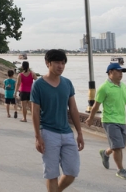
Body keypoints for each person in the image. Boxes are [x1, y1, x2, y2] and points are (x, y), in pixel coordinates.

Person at [31, 49, 84, 192]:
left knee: (72, 171)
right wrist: (38, 137)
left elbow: (73, 109)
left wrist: (79, 132)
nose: (60, 66)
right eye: (56, 63)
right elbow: (35, 112)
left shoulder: (67, 83)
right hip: (48, 133)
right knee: (52, 174)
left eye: (63, 63)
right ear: (48, 63)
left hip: (67, 133)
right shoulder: (38, 85)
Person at [85, 62, 126, 180]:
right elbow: (96, 105)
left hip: (121, 120)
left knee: (119, 145)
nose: (121, 74)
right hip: (109, 121)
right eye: (118, 71)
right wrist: (91, 118)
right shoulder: (104, 88)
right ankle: (120, 170)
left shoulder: (123, 86)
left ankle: (105, 153)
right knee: (117, 147)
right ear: (110, 73)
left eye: (122, 72)